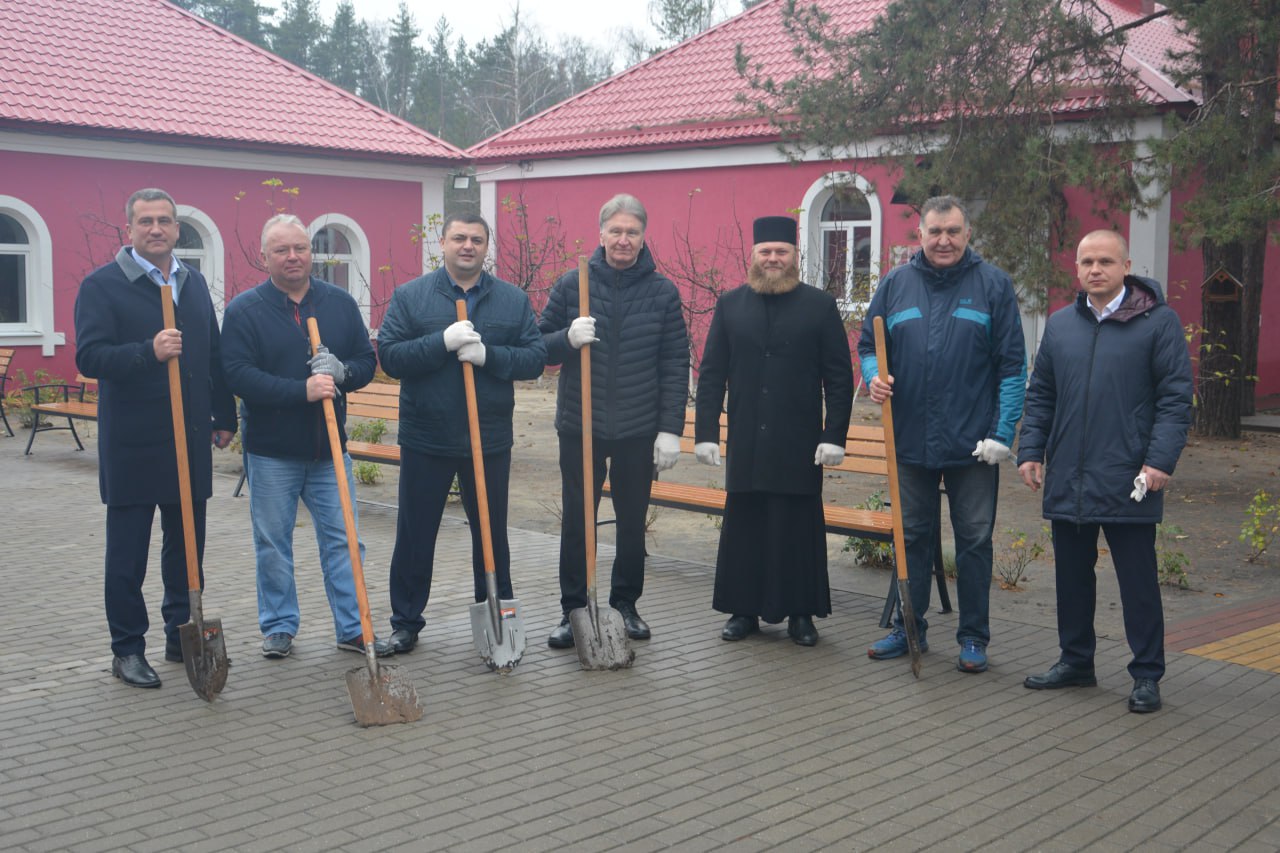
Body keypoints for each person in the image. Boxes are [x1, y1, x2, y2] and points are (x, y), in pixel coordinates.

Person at [1018, 230, 1192, 713]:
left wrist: (1159, 461)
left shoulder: (1158, 323)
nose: (1096, 269)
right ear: (1076, 268)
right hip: (1070, 475)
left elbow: (1176, 400)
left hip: (1129, 477)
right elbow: (1042, 395)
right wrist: (1030, 451)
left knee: (1137, 581)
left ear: (1126, 266)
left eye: (1106, 261)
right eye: (1087, 261)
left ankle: (1146, 675)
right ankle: (1076, 662)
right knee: (1072, 577)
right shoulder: (1060, 325)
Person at [74, 188, 237, 688]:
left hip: (187, 440)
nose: (156, 229)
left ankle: (180, 632)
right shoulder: (102, 286)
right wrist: (148, 350)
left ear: (176, 230)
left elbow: (212, 356)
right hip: (133, 442)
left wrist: (223, 413)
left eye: (164, 221)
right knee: (127, 554)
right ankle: (127, 649)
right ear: (130, 229)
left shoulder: (190, 282)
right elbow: (90, 358)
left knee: (186, 547)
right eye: (145, 221)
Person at [859, 195, 1026, 673]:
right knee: (911, 538)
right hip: (909, 440)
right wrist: (873, 374)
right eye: (935, 231)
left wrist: (1003, 432)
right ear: (920, 235)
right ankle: (908, 629)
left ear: (968, 234)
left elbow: (1013, 366)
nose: (944, 240)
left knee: (974, 540)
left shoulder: (993, 285)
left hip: (973, 446)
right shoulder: (895, 285)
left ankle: (973, 637)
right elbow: (871, 343)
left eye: (953, 231)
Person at [377, 212, 545, 654]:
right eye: (458, 238)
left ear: (487, 247)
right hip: (426, 437)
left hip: (487, 439)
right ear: (443, 243)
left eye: (476, 239)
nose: (467, 246)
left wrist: (489, 355)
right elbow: (391, 357)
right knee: (415, 534)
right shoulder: (412, 297)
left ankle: (494, 616)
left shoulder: (512, 300)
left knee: (491, 534)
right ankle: (406, 621)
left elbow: (534, 358)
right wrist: (440, 343)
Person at [221, 214, 384, 659]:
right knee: (273, 542)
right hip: (272, 452)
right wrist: (301, 391)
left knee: (345, 539)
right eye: (281, 250)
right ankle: (278, 626)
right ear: (264, 256)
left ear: (311, 253)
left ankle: (354, 627)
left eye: (301, 248)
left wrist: (342, 372)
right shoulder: (244, 311)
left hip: (330, 451)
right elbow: (238, 375)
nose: (293, 257)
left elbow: (365, 362)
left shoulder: (339, 303)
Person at [694, 215, 853, 646]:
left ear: (794, 257)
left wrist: (834, 435)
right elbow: (711, 374)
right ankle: (743, 612)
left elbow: (839, 379)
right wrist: (705, 431)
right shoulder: (730, 305)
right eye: (765, 252)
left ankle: (802, 614)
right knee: (745, 528)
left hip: (798, 442)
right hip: (746, 438)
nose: (773, 258)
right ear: (753, 256)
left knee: (796, 528)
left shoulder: (819, 306)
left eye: (781, 251)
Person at [539, 194, 689, 649]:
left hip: (638, 428)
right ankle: (575, 608)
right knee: (578, 521)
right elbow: (539, 347)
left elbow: (675, 362)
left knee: (630, 520)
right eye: (616, 231)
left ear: (643, 237)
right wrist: (567, 338)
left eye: (632, 232)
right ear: (600, 233)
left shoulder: (663, 293)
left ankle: (625, 603)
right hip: (580, 424)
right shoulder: (572, 285)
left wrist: (670, 428)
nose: (624, 240)